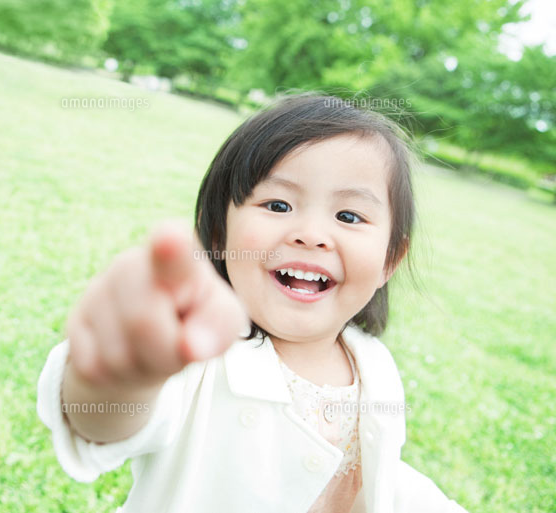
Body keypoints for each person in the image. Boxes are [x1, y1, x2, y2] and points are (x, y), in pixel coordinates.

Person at [37, 93, 469, 513]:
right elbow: (104, 421)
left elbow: (380, 480)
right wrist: (124, 377)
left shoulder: (374, 366)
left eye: (349, 216)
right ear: (219, 235)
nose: (311, 234)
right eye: (278, 205)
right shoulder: (200, 355)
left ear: (389, 260)